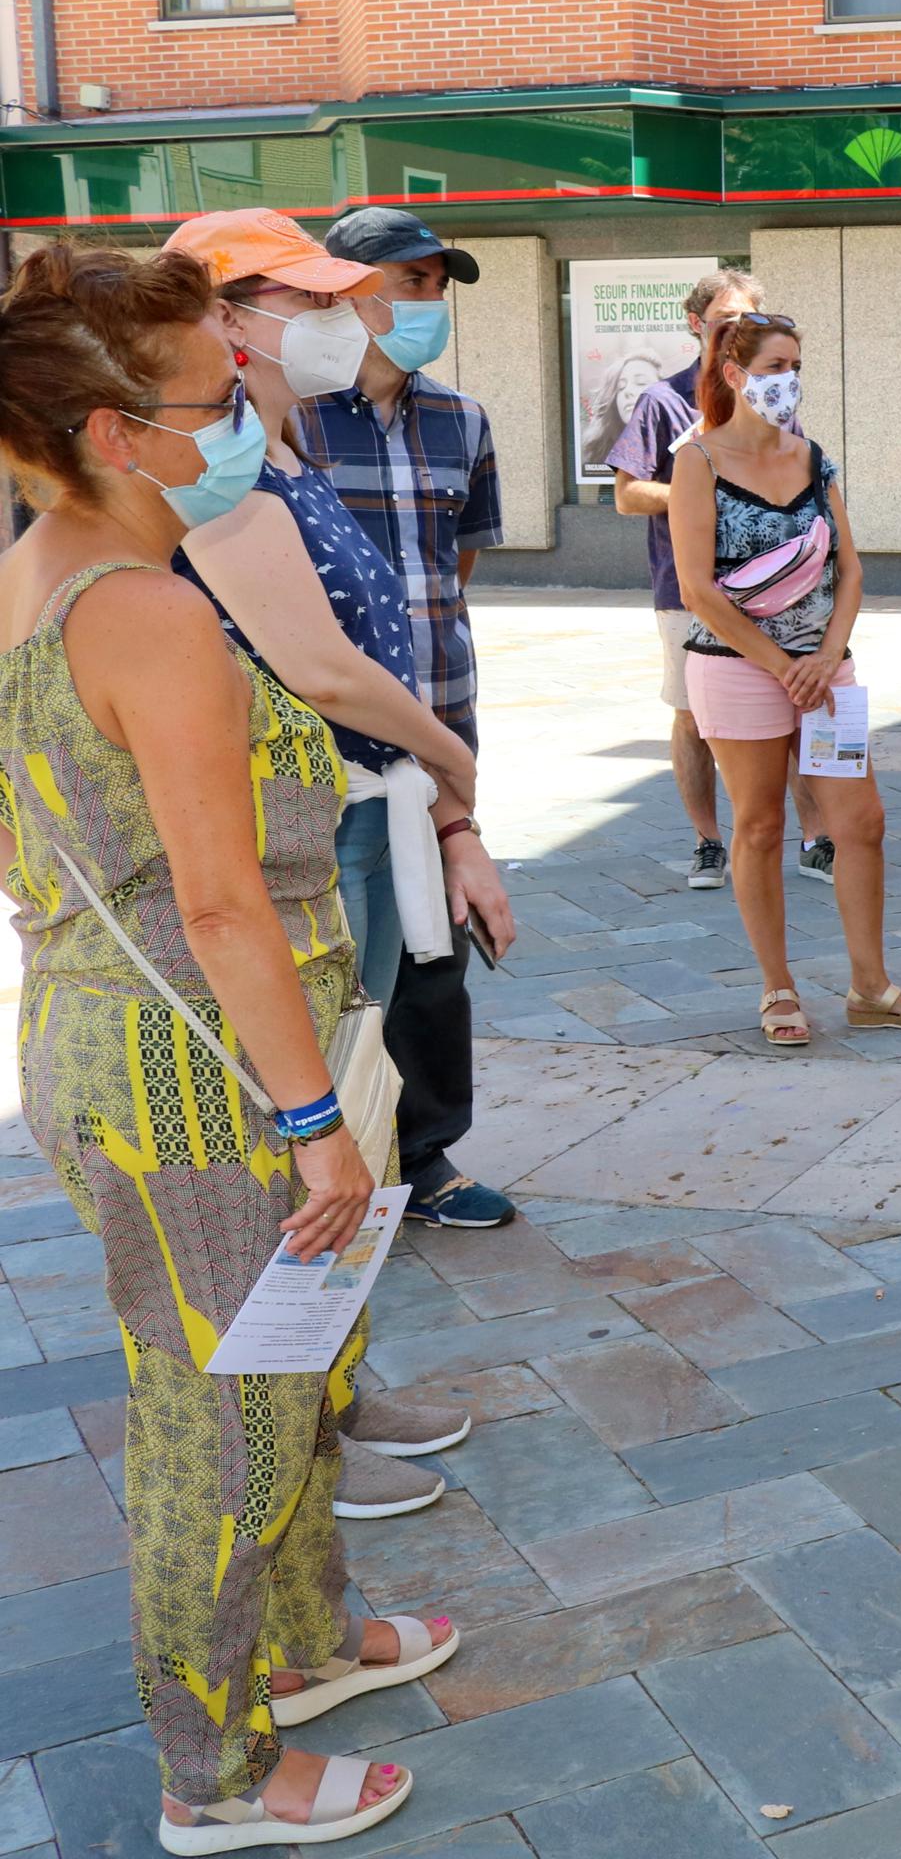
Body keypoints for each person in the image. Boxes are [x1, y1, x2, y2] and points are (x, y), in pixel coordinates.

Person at [0, 242, 457, 1852]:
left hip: (102, 1035)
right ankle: (215, 1771)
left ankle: (310, 1644)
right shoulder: (147, 616)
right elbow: (216, 906)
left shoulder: (41, 561)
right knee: (224, 1411)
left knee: (286, 1368)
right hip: (202, 1071)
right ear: (123, 434)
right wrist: (314, 1118)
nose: (252, 410)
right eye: (221, 394)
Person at [165, 210, 500, 1516]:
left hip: (347, 815)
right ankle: (297, 1436)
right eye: (299, 298)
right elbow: (317, 662)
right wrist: (450, 764)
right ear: (219, 320)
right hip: (280, 830)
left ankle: (339, 1391)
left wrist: (432, 787)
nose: (336, 319)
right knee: (291, 1145)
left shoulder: (277, 446)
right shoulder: (209, 470)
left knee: (351, 1117)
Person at [299, 205, 524, 1237]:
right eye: (406, 281)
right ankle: (337, 1158)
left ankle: (425, 1153)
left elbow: (456, 573)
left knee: (436, 956)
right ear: (341, 289)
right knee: (342, 961)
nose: (424, 301)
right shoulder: (290, 422)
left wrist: (451, 763)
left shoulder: (462, 422)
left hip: (438, 730)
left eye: (437, 284)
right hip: (326, 748)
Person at [666, 312, 901, 1044]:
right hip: (737, 670)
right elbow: (698, 590)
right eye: (775, 365)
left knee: (862, 824)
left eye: (796, 364)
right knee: (758, 826)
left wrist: (827, 656)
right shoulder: (696, 462)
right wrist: (784, 666)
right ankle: (778, 989)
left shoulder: (812, 457)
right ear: (735, 375)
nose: (789, 379)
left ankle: (870, 987)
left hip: (827, 673)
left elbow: (849, 570)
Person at [611, 269, 833, 892]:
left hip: (784, 589)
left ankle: (816, 840)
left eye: (749, 321)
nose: (737, 331)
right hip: (691, 589)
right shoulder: (665, 401)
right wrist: (702, 489)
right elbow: (628, 497)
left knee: (797, 709)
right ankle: (709, 842)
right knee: (691, 718)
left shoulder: (772, 395)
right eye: (725, 321)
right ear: (696, 325)